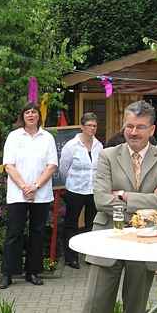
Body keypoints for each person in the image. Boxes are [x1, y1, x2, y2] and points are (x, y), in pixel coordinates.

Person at [50, 100, 157, 313]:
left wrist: (124, 196)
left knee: (135, 310)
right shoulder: (106, 155)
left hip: (145, 244)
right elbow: (101, 200)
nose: (133, 132)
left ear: (152, 129)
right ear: (124, 125)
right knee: (96, 308)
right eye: (129, 125)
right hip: (108, 240)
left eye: (140, 127)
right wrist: (145, 199)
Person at [0, 101, 58, 289]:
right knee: (14, 233)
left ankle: (33, 272)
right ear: (22, 116)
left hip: (41, 194)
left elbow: (52, 165)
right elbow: (9, 165)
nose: (31, 115)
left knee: (37, 233)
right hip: (18, 194)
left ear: (39, 115)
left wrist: (35, 187)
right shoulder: (14, 137)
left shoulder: (47, 137)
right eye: (27, 113)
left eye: (34, 112)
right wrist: (25, 187)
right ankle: (8, 273)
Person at [59, 112, 103, 270]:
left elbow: (100, 168)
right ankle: (71, 258)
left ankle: (90, 255)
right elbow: (64, 168)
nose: (92, 128)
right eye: (89, 125)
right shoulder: (71, 145)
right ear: (82, 127)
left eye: (95, 126)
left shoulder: (99, 145)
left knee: (92, 223)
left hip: (93, 190)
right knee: (71, 223)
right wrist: (70, 181)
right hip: (75, 189)